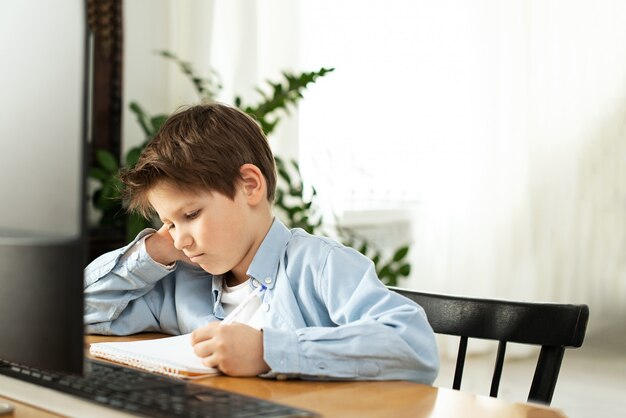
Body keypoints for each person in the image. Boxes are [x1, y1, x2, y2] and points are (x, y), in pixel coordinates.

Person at [84, 102, 439, 383]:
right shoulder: (180, 283)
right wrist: (153, 251)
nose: (182, 239)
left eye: (191, 215)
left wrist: (269, 351)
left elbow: (414, 346)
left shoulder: (319, 266)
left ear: (250, 186)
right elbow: (79, 312)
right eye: (169, 224)